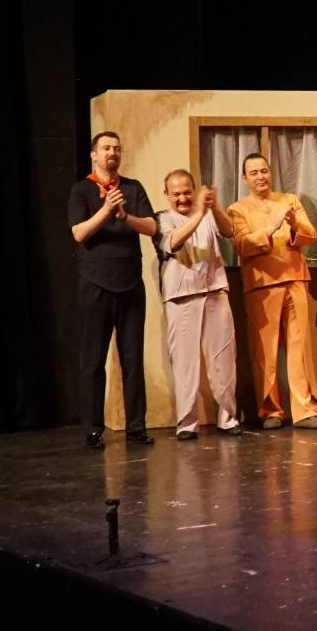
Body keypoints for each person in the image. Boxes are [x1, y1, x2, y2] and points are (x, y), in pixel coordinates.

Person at [68, 132, 158, 448]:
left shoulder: (132, 188)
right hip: (95, 283)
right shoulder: (81, 190)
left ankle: (136, 426)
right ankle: (93, 429)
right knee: (93, 361)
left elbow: (152, 227)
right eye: (106, 148)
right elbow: (79, 233)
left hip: (130, 283)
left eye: (117, 148)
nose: (113, 153)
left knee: (133, 359)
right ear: (94, 154)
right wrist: (106, 210)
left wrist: (125, 215)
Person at [228, 153, 317, 429]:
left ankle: (305, 410)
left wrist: (294, 224)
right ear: (244, 178)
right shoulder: (237, 209)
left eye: (264, 171)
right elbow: (241, 245)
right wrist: (272, 228)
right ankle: (271, 411)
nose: (260, 177)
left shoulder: (289, 200)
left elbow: (310, 234)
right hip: (261, 285)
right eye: (254, 173)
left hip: (295, 278)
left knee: (300, 348)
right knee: (265, 350)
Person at [156, 170, 241, 439]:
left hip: (215, 290)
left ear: (194, 191)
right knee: (185, 362)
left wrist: (213, 206)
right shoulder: (162, 218)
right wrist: (199, 214)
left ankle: (228, 418)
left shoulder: (208, 213)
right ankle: (187, 424)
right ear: (166, 194)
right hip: (181, 297)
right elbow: (173, 242)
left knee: (223, 358)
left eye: (187, 192)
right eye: (176, 194)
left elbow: (229, 231)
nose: (182, 198)